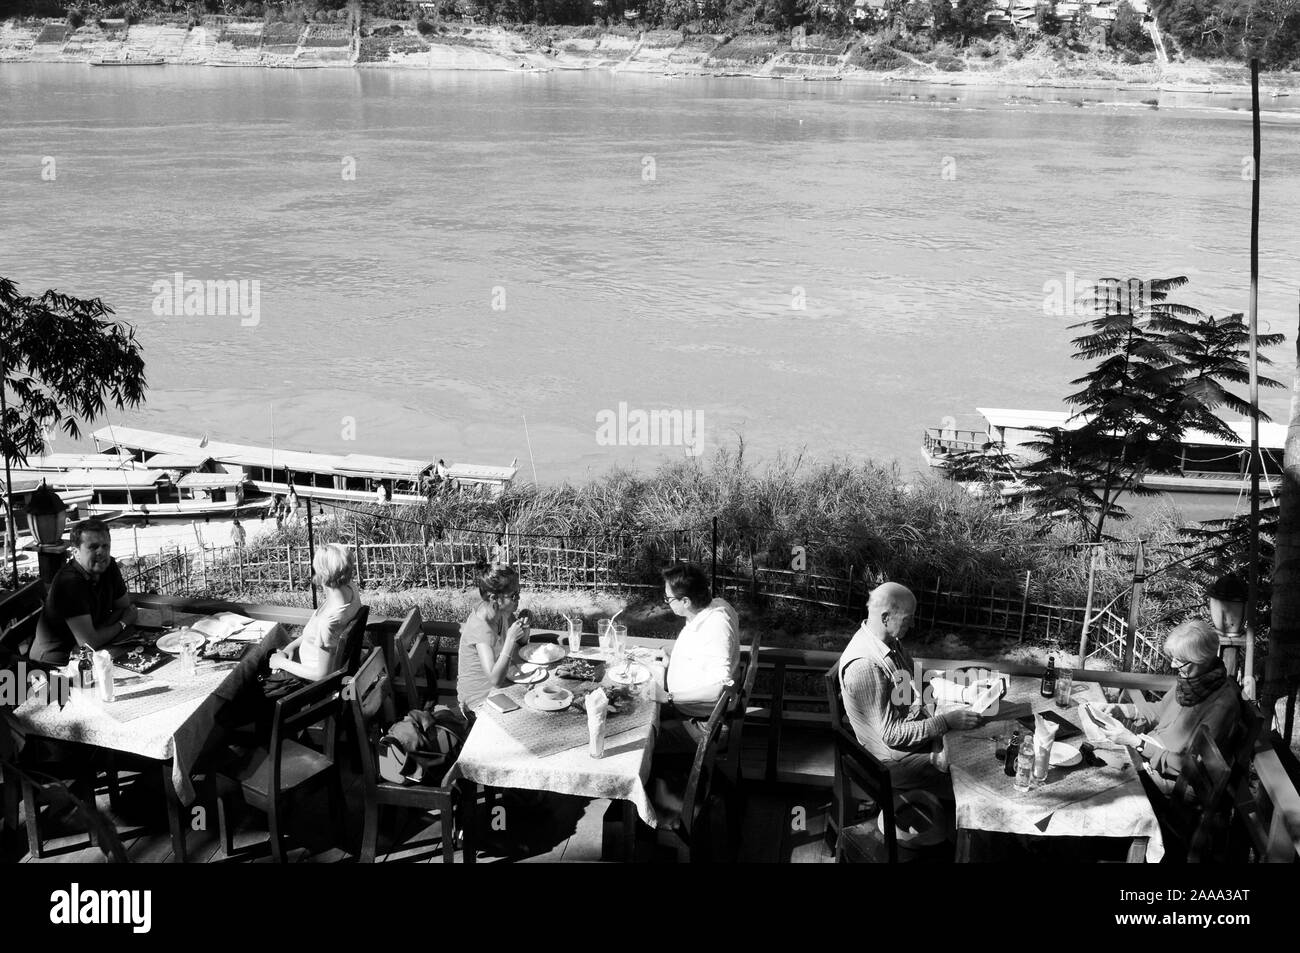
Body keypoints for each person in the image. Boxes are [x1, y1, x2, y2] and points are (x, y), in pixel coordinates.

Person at [836, 582, 980, 794]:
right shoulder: (865, 665)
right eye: (908, 618)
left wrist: (964, 692)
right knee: (973, 771)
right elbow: (891, 735)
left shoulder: (889, 643)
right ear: (886, 618)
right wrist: (945, 722)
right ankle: (958, 819)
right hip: (891, 764)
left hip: (910, 741)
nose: (912, 625)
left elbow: (920, 679)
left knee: (974, 739)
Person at [1098, 619, 1241, 798]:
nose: (1173, 665)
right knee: (1097, 755)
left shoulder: (1222, 706)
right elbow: (1161, 711)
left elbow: (1191, 767)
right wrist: (1124, 710)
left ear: (1202, 661)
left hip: (1178, 783)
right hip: (1152, 757)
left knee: (1107, 783)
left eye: (1180, 661)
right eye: (1173, 658)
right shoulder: (1192, 682)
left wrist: (1137, 743)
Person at [649, 563, 740, 747]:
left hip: (703, 726)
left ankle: (662, 774)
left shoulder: (716, 627)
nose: (666, 602)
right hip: (687, 710)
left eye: (669, 599)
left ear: (686, 601)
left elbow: (718, 689)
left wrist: (668, 698)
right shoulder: (711, 607)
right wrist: (674, 659)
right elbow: (703, 656)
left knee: (640, 743)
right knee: (637, 706)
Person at [30, 519, 138, 666]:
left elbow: (124, 607)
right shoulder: (70, 583)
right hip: (54, 664)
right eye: (93, 547)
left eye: (105, 546)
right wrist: (123, 623)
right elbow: (88, 643)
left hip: (87, 653)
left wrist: (100, 632)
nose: (101, 552)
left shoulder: (108, 566)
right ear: (76, 552)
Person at [266, 544, 363, 684]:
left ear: (321, 573)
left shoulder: (329, 621)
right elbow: (315, 635)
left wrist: (281, 662)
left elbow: (322, 675)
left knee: (255, 669)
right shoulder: (349, 590)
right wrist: (291, 647)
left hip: (310, 682)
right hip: (311, 659)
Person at [456, 562, 530, 716]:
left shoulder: (501, 612)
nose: (518, 598)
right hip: (479, 702)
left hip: (500, 689)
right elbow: (494, 680)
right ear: (494, 597)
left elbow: (521, 644)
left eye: (519, 592)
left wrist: (525, 627)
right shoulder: (482, 627)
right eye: (513, 595)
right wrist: (510, 640)